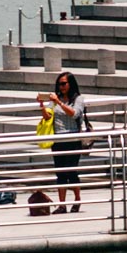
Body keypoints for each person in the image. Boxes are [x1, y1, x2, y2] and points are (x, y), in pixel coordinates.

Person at [39, 71, 90, 214]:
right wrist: (42, 105)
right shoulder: (55, 99)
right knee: (60, 173)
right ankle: (62, 205)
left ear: (70, 84)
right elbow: (48, 116)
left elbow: (75, 113)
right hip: (58, 140)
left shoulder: (78, 99)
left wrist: (58, 102)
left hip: (73, 140)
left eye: (63, 84)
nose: (61, 87)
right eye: (59, 84)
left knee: (71, 172)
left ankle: (77, 200)